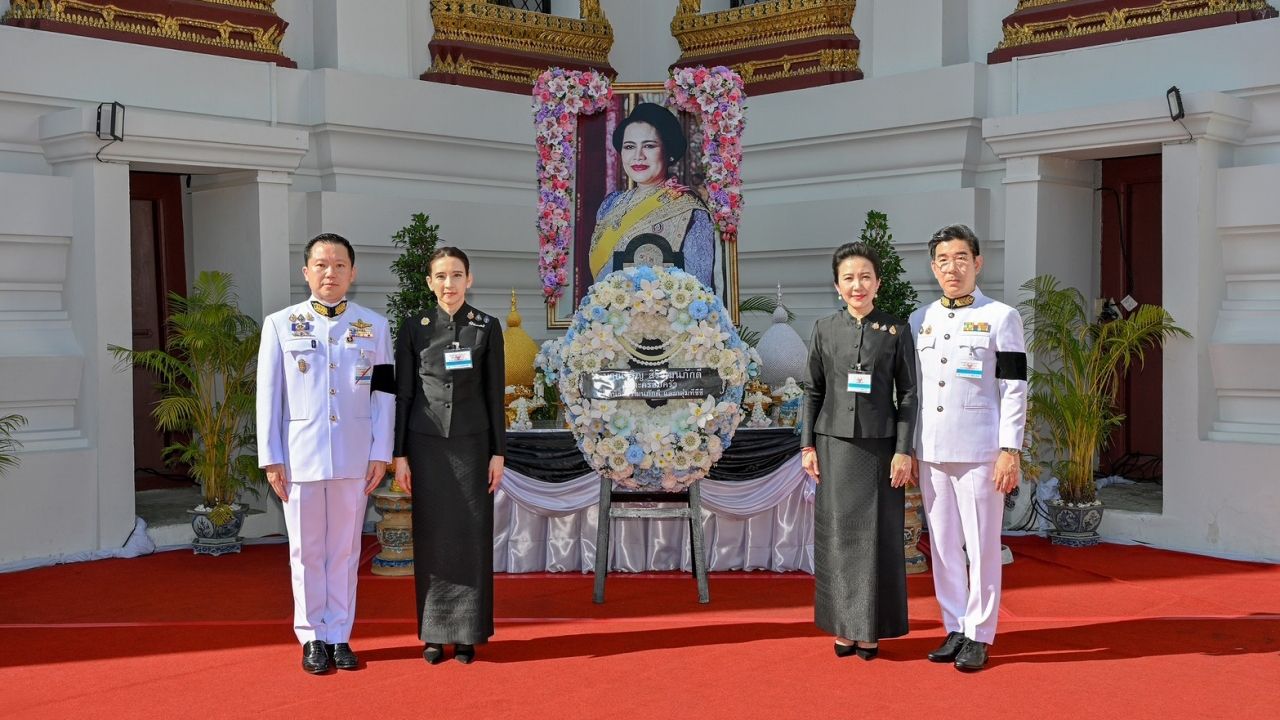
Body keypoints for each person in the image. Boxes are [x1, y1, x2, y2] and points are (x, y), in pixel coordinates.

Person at [256, 233, 394, 675]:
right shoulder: (280, 325)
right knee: (306, 550)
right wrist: (271, 457)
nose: (329, 272)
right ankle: (311, 636)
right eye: (321, 264)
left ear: (353, 273)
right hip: (299, 458)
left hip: (355, 457)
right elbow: (268, 398)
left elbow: (385, 395)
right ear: (306, 272)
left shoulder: (375, 325)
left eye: (338, 265)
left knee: (346, 551)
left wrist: (382, 451)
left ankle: (340, 635)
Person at [909, 224, 1027, 672]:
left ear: (977, 263)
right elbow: (915, 389)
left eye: (961, 258)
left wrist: (1008, 449)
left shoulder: (1002, 316)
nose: (952, 268)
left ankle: (980, 632)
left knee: (982, 546)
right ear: (933, 267)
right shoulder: (921, 320)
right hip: (933, 451)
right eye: (943, 260)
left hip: (980, 452)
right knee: (941, 545)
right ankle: (955, 625)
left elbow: (1014, 387)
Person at [801, 242, 918, 660]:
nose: (857, 285)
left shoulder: (896, 330)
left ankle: (871, 629)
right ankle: (843, 627)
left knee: (877, 539)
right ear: (837, 285)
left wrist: (904, 450)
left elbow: (908, 394)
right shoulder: (823, 329)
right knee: (838, 537)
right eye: (849, 278)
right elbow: (812, 391)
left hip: (881, 448)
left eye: (865, 277)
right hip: (833, 446)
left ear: (878, 283)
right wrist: (807, 446)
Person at [392, 247, 505, 665]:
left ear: (469, 280)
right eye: (441, 276)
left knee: (471, 537)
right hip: (426, 445)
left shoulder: (487, 327)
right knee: (433, 537)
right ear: (429, 282)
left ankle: (468, 634)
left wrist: (498, 453)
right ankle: (434, 634)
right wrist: (399, 454)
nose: (449, 284)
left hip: (474, 446)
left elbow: (495, 395)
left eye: (457, 275)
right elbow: (404, 394)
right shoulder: (414, 327)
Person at [587, 102, 716, 289]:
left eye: (649, 146)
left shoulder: (691, 213)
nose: (638, 156)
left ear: (668, 152)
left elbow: (698, 291)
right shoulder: (610, 205)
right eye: (629, 147)